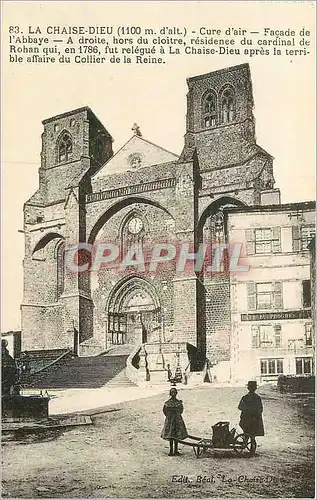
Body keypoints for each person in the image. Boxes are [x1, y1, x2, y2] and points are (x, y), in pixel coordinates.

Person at [161, 387, 188, 456]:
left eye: (174, 392)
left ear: (176, 394)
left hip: (175, 420)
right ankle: (171, 450)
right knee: (171, 436)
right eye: (172, 392)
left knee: (175, 436)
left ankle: (175, 450)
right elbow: (165, 411)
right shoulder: (170, 403)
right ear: (170, 394)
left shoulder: (173, 403)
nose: (173, 394)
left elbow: (181, 410)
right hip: (173, 420)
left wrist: (170, 416)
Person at [238, 380, 264, 448]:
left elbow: (240, 407)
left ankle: (245, 442)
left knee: (246, 431)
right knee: (252, 433)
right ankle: (251, 445)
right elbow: (261, 409)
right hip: (254, 420)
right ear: (255, 388)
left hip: (246, 419)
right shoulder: (257, 398)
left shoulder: (245, 397)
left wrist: (247, 410)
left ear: (248, 388)